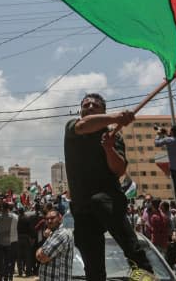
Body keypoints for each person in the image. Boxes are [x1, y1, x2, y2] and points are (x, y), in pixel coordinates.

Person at [64, 93, 151, 281]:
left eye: (94, 105)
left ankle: (144, 274)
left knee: (133, 250)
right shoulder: (73, 127)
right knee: (94, 270)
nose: (89, 107)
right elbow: (84, 125)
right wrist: (116, 117)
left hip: (108, 201)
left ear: (102, 110)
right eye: (85, 105)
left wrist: (109, 148)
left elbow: (119, 170)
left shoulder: (113, 136)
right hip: (83, 210)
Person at [36, 209, 74, 281]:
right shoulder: (54, 234)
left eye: (52, 218)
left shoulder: (61, 234)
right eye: (47, 219)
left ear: (60, 218)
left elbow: (43, 257)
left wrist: (40, 250)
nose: (49, 221)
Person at [0, 200, 19, 281]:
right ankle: (7, 277)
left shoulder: (0, 216)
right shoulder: (14, 217)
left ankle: (0, 277)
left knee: (0, 262)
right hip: (10, 242)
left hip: (0, 242)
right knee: (8, 262)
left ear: (3, 208)